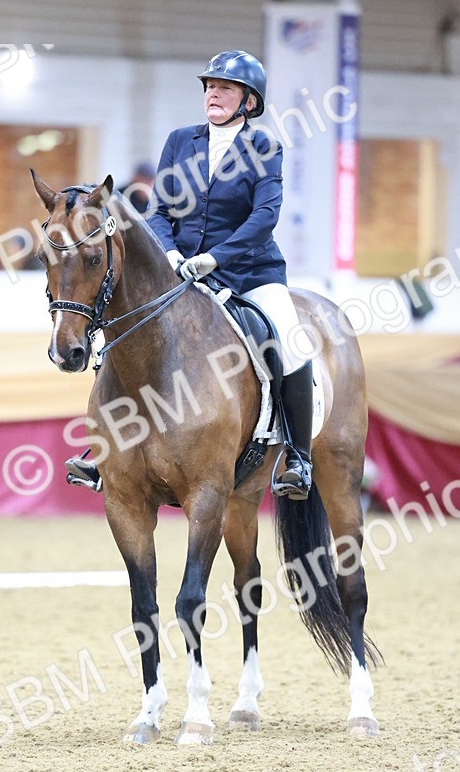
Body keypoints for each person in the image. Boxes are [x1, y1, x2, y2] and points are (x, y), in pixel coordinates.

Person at [66, 49, 313, 499]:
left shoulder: (265, 148)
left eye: (225, 89)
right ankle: (105, 453)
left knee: (290, 342)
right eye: (210, 87)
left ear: (249, 102)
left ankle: (298, 456)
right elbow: (158, 210)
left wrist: (215, 258)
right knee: (125, 336)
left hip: (248, 272)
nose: (213, 94)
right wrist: (173, 251)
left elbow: (264, 217)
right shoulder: (181, 141)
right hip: (180, 272)